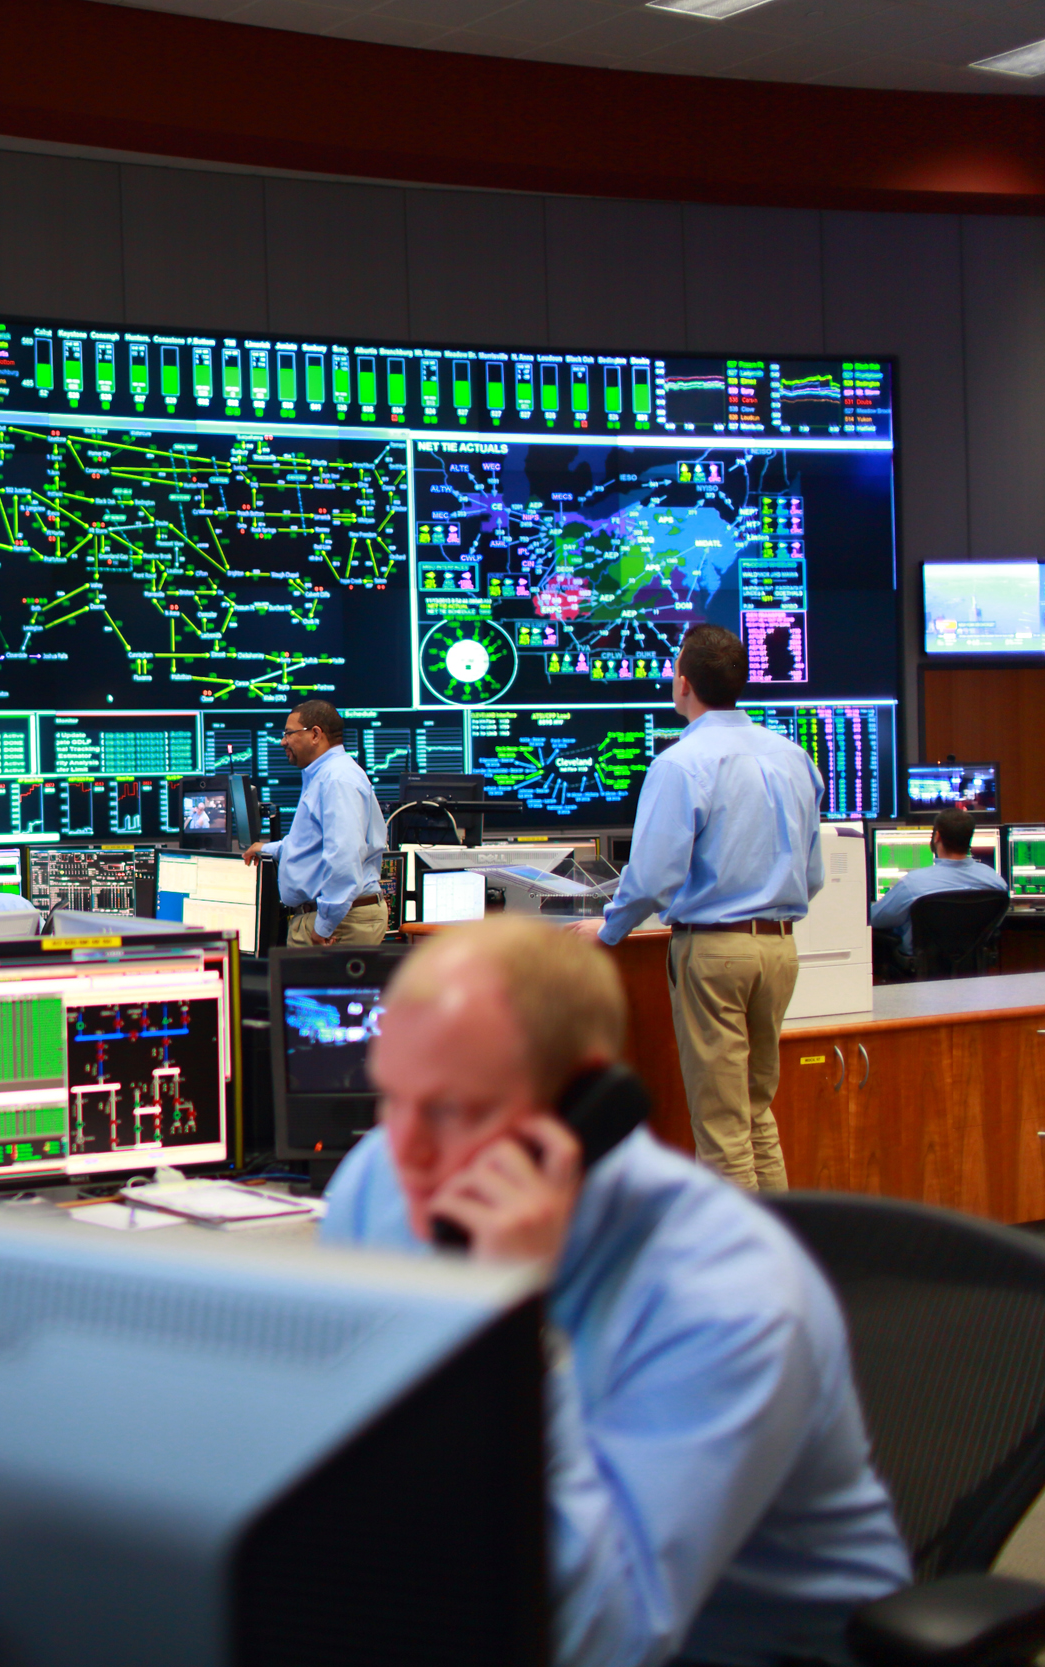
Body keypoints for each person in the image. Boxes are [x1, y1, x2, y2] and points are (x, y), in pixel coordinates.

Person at [322, 917, 909, 1667]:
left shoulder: (728, 1295)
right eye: (391, 1099)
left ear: (584, 1099)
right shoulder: (377, 1181)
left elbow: (603, 1642)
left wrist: (511, 1328)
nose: (406, 1152)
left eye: (451, 1109)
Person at [577, 624, 822, 1192]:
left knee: (721, 1130)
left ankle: (736, 1251)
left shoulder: (681, 763)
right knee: (756, 1116)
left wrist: (609, 929)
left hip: (714, 953)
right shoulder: (793, 757)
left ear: (683, 683)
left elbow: (652, 878)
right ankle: (779, 1240)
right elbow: (811, 875)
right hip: (780, 950)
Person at [242, 699, 387, 945]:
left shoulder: (336, 779)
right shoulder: (325, 774)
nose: (283, 741)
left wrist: (324, 926)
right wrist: (268, 848)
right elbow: (314, 844)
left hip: (339, 922)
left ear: (316, 734)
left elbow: (344, 857)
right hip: (337, 917)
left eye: (289, 733)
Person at [869, 806, 1006, 960]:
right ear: (969, 838)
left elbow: (875, 919)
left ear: (937, 836)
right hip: (972, 965)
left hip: (922, 967)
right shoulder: (996, 882)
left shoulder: (912, 884)